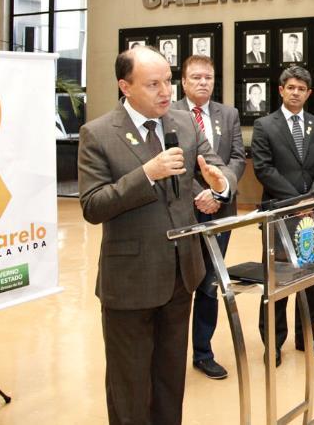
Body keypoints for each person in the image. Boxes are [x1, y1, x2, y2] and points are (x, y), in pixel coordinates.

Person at [78, 46, 235, 425]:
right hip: (130, 282)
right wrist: (146, 173)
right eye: (153, 84)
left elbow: (217, 168)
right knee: (129, 385)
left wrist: (221, 185)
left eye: (167, 81)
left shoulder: (182, 123)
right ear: (125, 86)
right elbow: (93, 205)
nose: (165, 91)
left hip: (181, 276)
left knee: (169, 381)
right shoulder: (98, 134)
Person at [251, 66, 314, 363]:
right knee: (277, 279)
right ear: (281, 90)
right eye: (291, 88)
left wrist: (311, 198)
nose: (296, 93)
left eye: (302, 89)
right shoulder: (265, 126)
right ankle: (273, 342)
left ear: (309, 93)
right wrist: (296, 201)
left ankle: (307, 335)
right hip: (279, 214)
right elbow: (263, 168)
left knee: (310, 277)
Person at [173, 55, 246, 380]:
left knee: (209, 281)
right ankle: (170, 352)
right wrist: (198, 194)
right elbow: (171, 164)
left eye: (208, 77)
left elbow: (237, 158)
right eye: (196, 77)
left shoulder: (227, 114)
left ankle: (203, 352)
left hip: (221, 211)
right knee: (178, 283)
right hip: (182, 211)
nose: (203, 82)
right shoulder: (168, 113)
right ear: (184, 81)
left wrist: (218, 192)